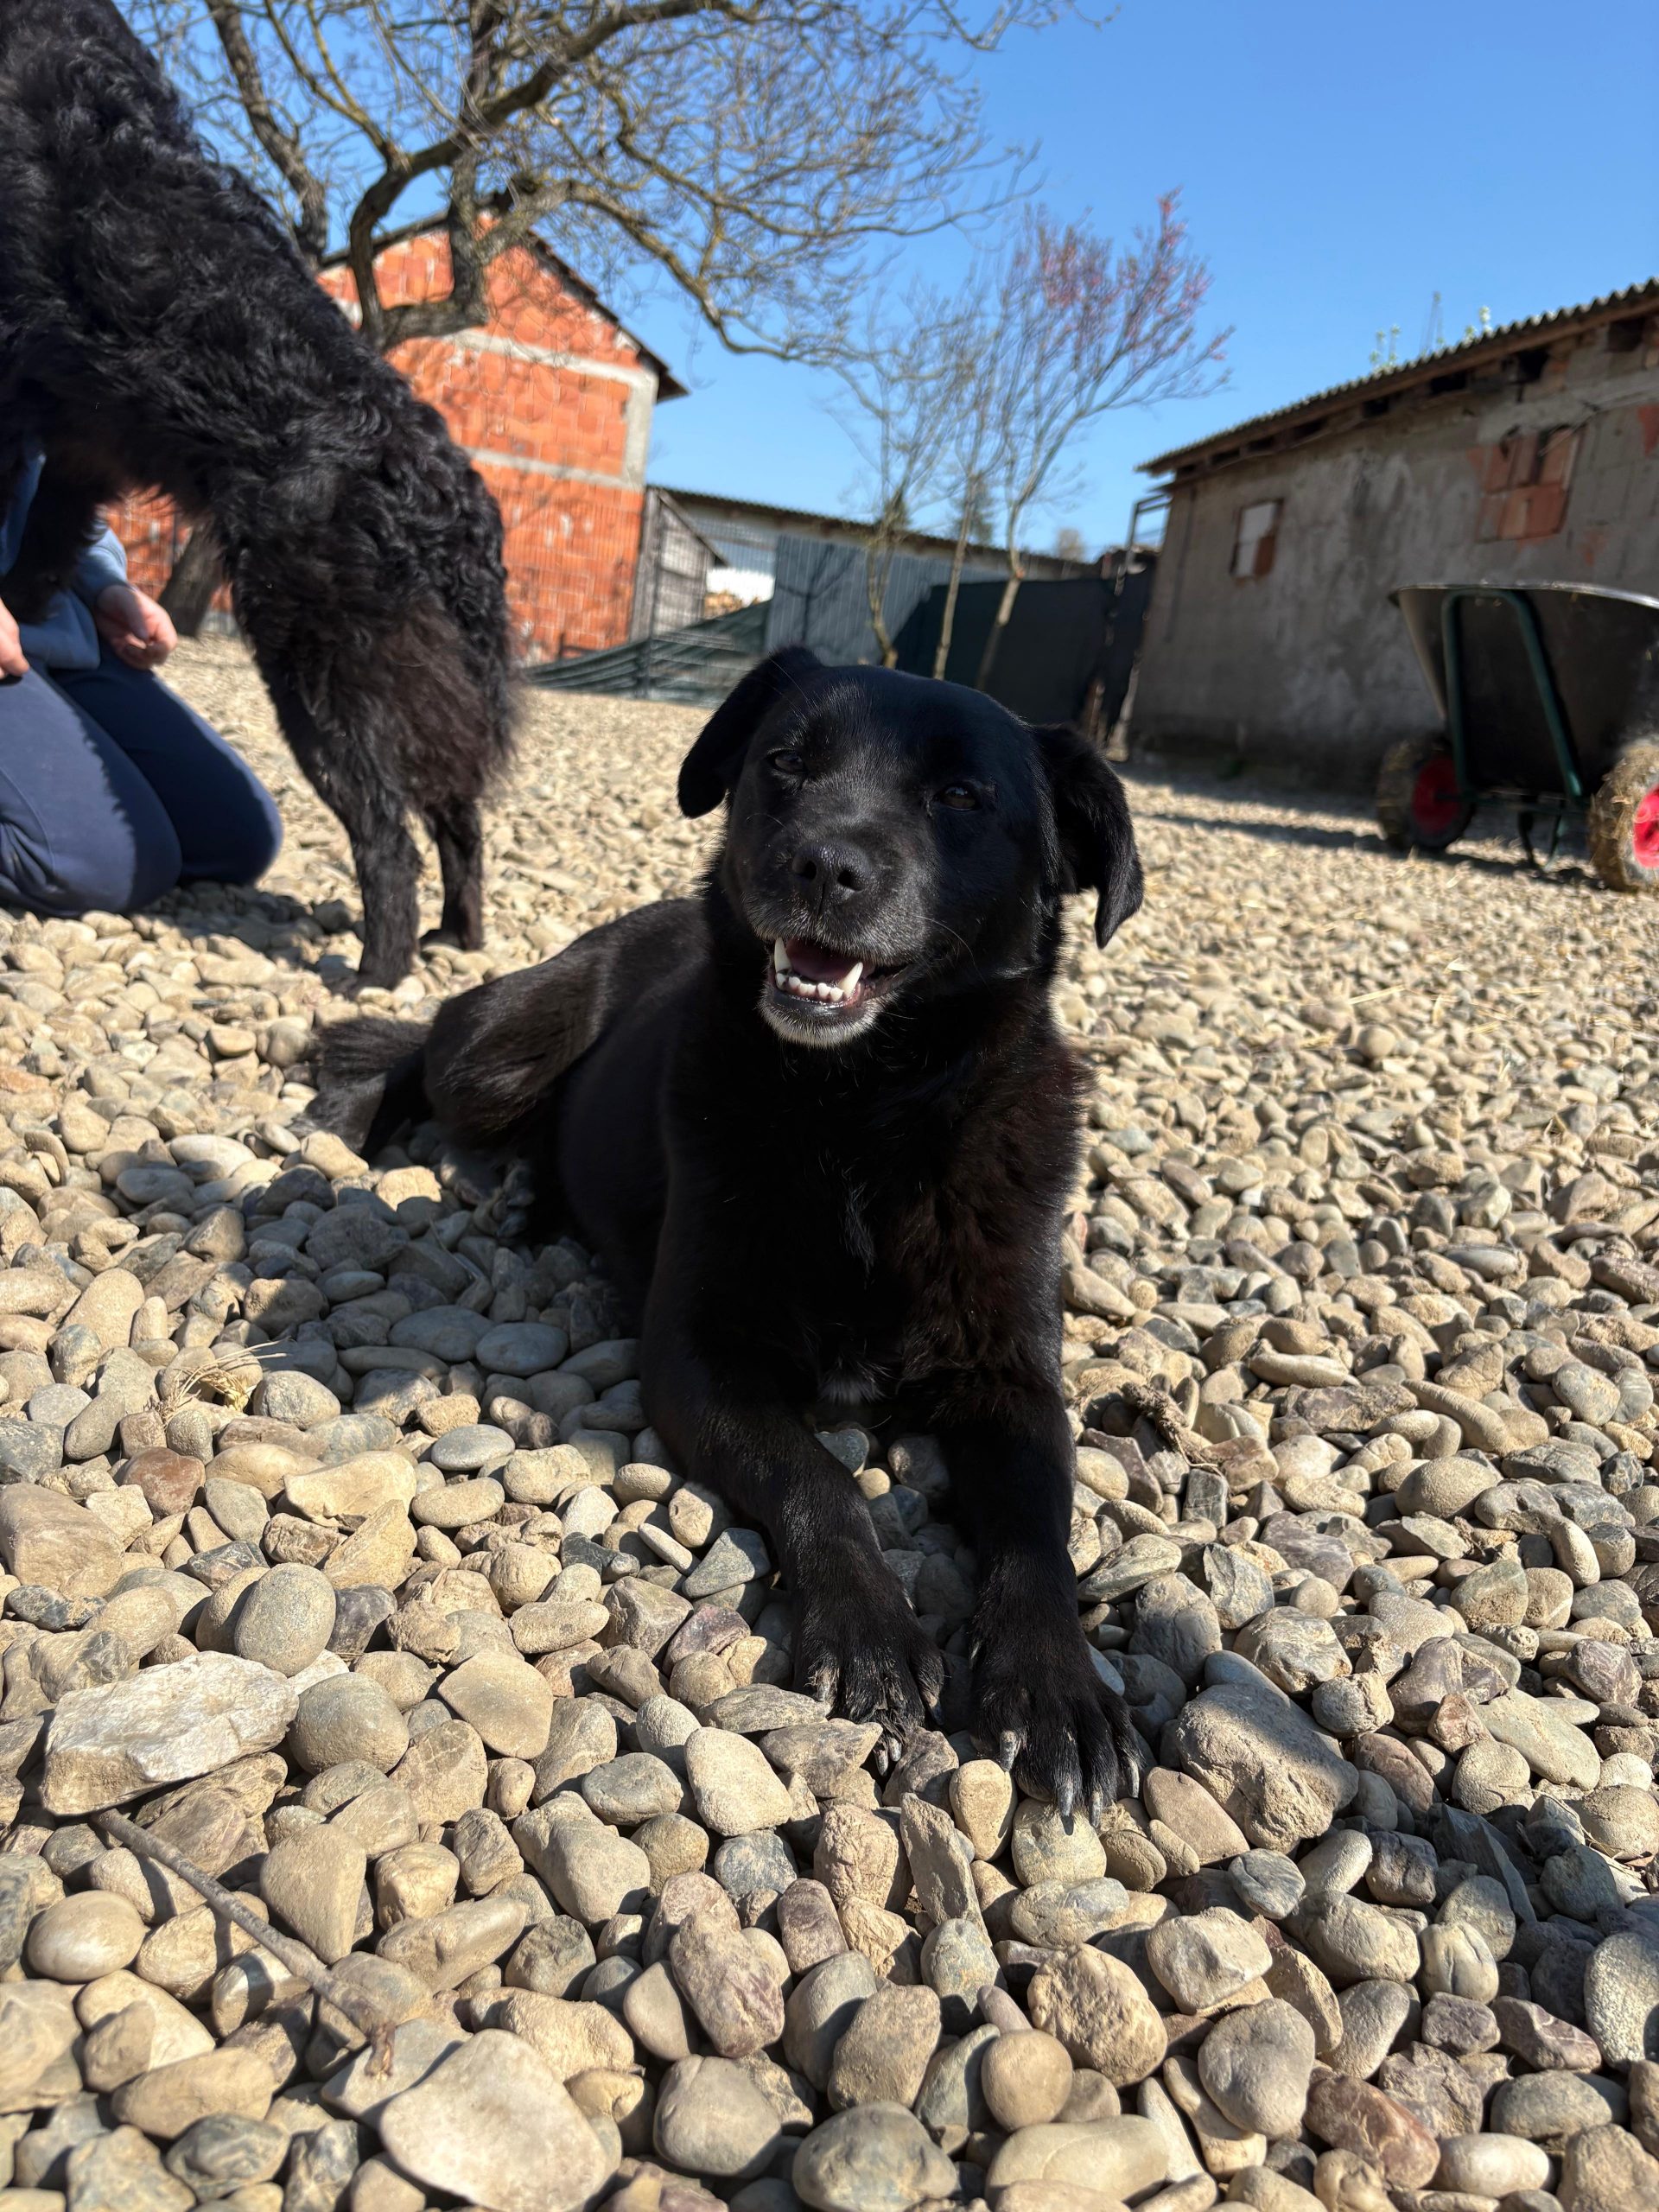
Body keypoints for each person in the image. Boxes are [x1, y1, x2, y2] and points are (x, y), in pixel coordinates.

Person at [0, 451, 282, 917]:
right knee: (96, 867)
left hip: (49, 623)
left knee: (235, 838)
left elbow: (53, 480)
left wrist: (103, 584)